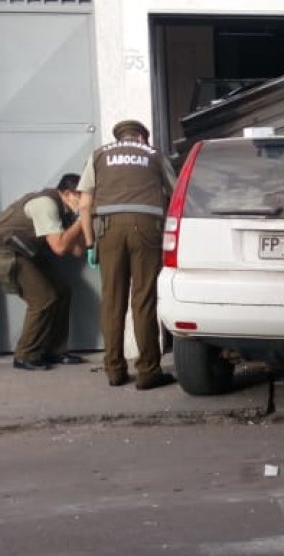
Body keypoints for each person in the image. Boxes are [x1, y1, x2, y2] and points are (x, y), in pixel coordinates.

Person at [77, 119, 177, 390]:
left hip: (108, 230)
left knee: (112, 301)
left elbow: (84, 204)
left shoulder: (99, 155)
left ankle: (114, 371)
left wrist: (89, 244)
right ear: (142, 138)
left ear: (118, 138)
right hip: (147, 228)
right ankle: (148, 372)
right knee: (143, 300)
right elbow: (175, 192)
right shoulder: (154, 155)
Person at [0, 173, 88, 371]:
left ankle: (55, 350)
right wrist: (81, 222)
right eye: (81, 197)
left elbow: (77, 251)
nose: (84, 203)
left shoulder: (66, 211)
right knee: (44, 297)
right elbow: (60, 247)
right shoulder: (46, 205)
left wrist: (82, 221)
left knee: (62, 290)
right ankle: (25, 354)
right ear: (67, 194)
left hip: (24, 251)